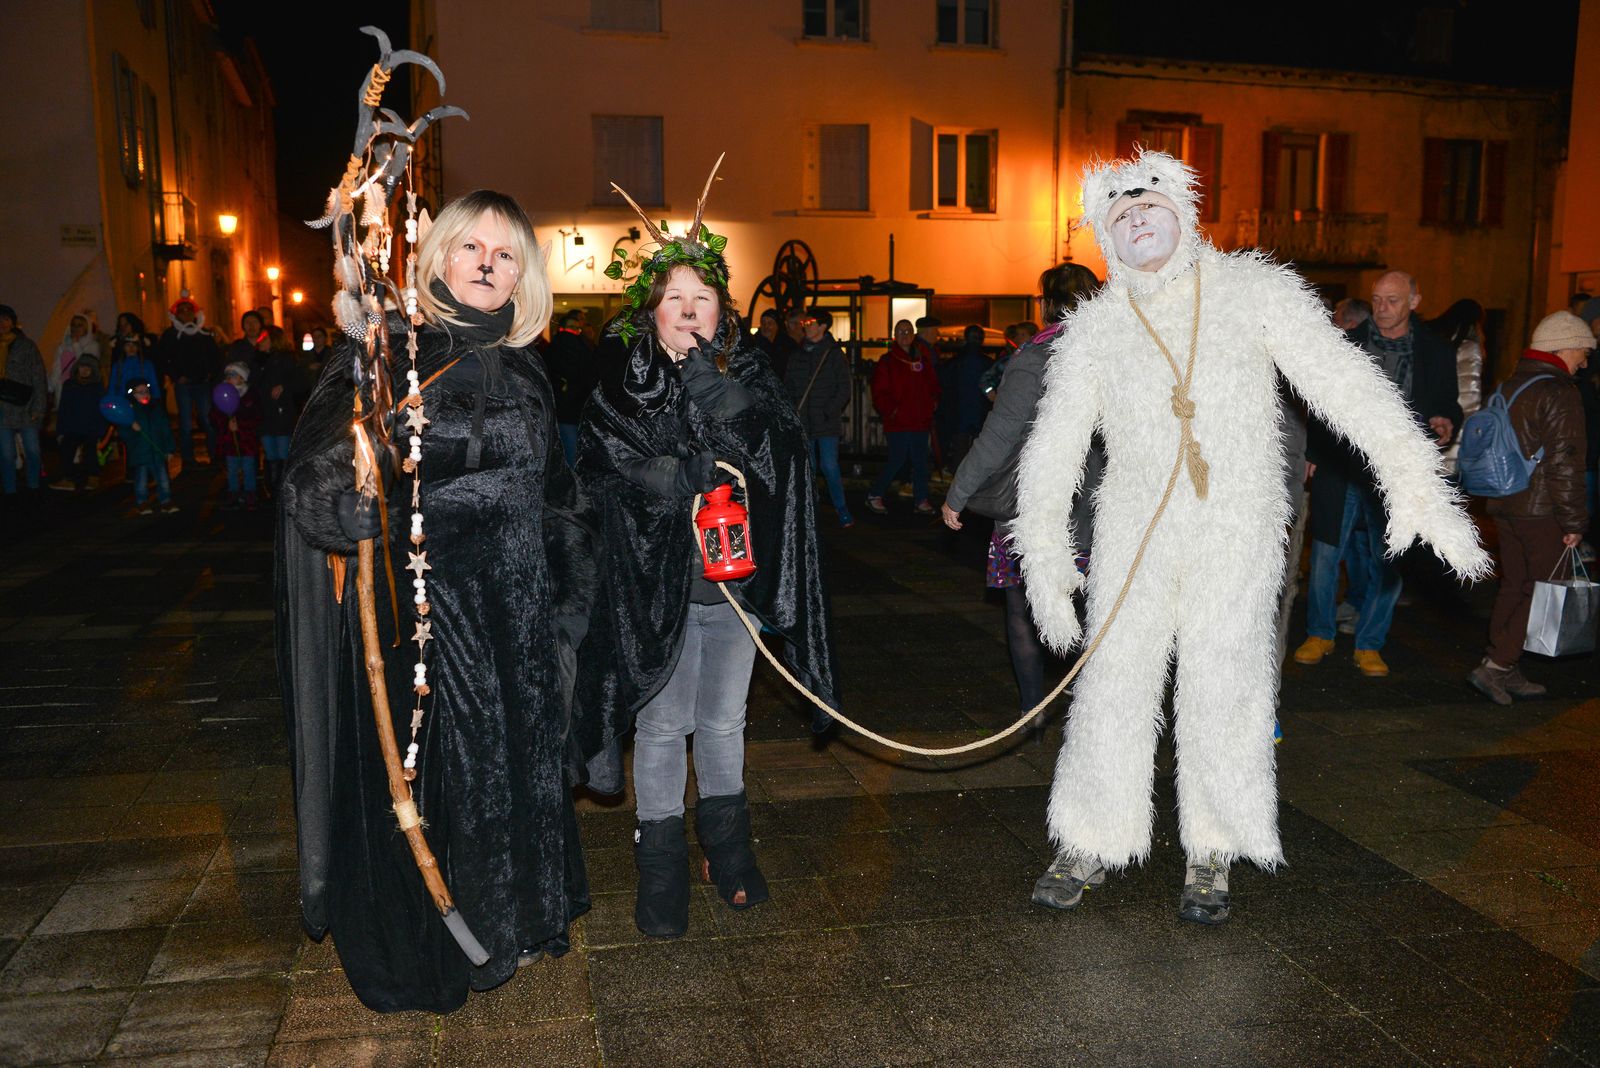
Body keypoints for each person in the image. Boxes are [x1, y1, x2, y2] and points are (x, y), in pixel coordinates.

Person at [1011, 151, 1487, 925]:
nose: (1138, 219)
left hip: (1234, 527)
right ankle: (1090, 837)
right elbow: (1054, 442)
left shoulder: (1250, 290)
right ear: (1104, 233)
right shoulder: (1096, 327)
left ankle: (1215, 844)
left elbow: (1341, 379)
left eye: (1150, 204)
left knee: (1226, 683)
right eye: (1121, 213)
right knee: (1111, 686)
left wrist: (1414, 478)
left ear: (1183, 210)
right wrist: (1044, 554)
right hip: (1134, 533)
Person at [278, 189, 594, 1013]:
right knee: (447, 779)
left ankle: (515, 923)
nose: (487, 264)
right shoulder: (390, 352)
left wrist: (569, 600)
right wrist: (338, 507)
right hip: (426, 613)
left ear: (523, 278)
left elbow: (556, 494)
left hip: (518, 615)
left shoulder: (528, 369)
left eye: (505, 254)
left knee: (516, 770)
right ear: (440, 256)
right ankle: (442, 944)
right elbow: (320, 463)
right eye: (472, 248)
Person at [575, 169, 838, 940]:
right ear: (651, 309)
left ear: (723, 307)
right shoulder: (623, 379)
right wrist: (666, 475)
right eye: (674, 298)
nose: (689, 309)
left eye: (703, 297)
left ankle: (727, 853)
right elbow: (598, 466)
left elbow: (787, 459)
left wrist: (729, 403)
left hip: (734, 589)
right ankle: (659, 866)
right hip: (655, 587)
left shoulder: (749, 370)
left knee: (723, 722)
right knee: (662, 727)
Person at [943, 263, 1101, 728]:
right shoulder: (1117, 352)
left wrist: (957, 493)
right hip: (1099, 507)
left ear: (1047, 304)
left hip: (1036, 506)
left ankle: (1033, 707)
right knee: (1095, 605)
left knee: (1024, 608)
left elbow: (999, 434)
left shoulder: (1036, 357)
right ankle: (1092, 701)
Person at [1294, 270, 1462, 677]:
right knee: (1326, 554)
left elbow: (1447, 402)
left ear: (1414, 302)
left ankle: (1370, 643)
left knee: (1388, 558)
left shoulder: (1436, 352)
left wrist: (1445, 420)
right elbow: (1322, 401)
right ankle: (1319, 633)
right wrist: (1314, 451)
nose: (1382, 309)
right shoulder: (1347, 344)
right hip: (1343, 464)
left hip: (1395, 471)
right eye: (1377, 300)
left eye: (1393, 300)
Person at [1467, 311, 1592, 704]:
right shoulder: (1559, 392)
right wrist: (1574, 521)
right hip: (1541, 510)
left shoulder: (1509, 385)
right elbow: (1565, 462)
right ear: (1564, 348)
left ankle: (1504, 664)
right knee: (1540, 590)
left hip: (1504, 501)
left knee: (1515, 585)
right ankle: (1497, 666)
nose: (1584, 362)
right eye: (1583, 352)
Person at [782, 307, 853, 527]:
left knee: (829, 466)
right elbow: (788, 385)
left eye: (810, 322)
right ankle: (810, 512)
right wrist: (792, 409)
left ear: (823, 326)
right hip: (804, 421)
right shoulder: (797, 354)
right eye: (805, 322)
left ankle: (842, 509)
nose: (806, 326)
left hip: (826, 422)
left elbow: (844, 388)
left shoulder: (834, 354)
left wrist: (829, 410)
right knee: (808, 468)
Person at [865, 318, 941, 514]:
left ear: (914, 335)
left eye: (908, 331)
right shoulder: (887, 361)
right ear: (894, 336)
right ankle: (875, 494)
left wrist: (932, 404)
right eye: (900, 332)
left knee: (920, 462)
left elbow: (933, 385)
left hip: (920, 420)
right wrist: (892, 411)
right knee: (897, 460)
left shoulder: (922, 359)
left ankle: (921, 499)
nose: (905, 335)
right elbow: (879, 392)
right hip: (898, 422)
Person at [154, 295, 223, 466]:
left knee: (208, 420)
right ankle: (188, 460)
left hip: (202, 383)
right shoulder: (170, 335)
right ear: (176, 315)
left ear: (195, 313)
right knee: (185, 423)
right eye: (182, 311)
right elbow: (162, 359)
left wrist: (210, 374)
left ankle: (215, 456)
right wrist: (176, 376)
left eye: (189, 310)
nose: (186, 314)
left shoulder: (204, 334)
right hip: (183, 385)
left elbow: (215, 357)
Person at [1429, 299, 1485, 472]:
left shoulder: (1434, 342)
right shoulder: (1469, 348)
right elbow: (1469, 398)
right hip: (1454, 438)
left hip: (1432, 429)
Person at [0, 303, 48, 497]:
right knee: (6, 455)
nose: (2, 323)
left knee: (33, 451)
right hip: (2, 409)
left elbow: (38, 376)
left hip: (25, 406)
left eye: (5, 319)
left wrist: (39, 407)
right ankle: (10, 490)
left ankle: (33, 485)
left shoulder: (27, 345)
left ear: (13, 322)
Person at [541, 308, 598, 465]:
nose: (573, 332)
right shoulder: (581, 347)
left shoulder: (554, 347)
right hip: (575, 408)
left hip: (564, 408)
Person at [254, 326, 302, 498]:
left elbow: (300, 383)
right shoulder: (258, 360)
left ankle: (284, 491)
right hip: (265, 415)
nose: (259, 341)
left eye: (264, 338)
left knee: (282, 454)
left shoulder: (287, 359)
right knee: (270, 455)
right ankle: (272, 489)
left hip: (282, 416)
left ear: (274, 340)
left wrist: (284, 386)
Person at [938, 325, 991, 471]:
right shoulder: (987, 363)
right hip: (980, 414)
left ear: (965, 339)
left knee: (959, 450)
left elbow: (944, 387)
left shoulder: (953, 363)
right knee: (978, 451)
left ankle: (958, 478)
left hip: (958, 413)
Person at [49, 355, 106, 491]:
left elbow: (101, 409)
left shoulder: (97, 387)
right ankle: (67, 479)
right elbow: (64, 408)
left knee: (90, 453)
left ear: (93, 370)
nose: (85, 370)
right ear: (77, 367)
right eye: (82, 366)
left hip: (91, 427)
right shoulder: (69, 384)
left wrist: (100, 431)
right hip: (72, 427)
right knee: (67, 452)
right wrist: (61, 431)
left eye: (89, 368)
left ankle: (93, 478)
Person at [210, 362, 262, 511]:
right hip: (230, 441)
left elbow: (257, 416)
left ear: (242, 378)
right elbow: (213, 415)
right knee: (232, 469)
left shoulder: (251, 395)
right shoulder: (221, 392)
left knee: (248, 469)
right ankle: (233, 493)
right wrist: (225, 424)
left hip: (247, 441)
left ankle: (250, 494)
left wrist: (241, 424)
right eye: (227, 375)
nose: (229, 378)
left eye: (233, 375)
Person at [124, 378, 178, 515]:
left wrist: (170, 449)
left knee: (163, 479)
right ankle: (142, 502)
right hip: (140, 453)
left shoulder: (156, 409)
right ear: (133, 395)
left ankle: (166, 500)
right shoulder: (130, 412)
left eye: (146, 391)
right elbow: (124, 432)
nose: (144, 394)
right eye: (140, 392)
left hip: (158, 452)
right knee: (141, 480)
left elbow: (165, 429)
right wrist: (131, 427)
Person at [50, 314, 100, 408]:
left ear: (87, 328)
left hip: (82, 388)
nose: (75, 328)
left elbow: (84, 363)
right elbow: (57, 367)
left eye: (80, 325)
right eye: (73, 325)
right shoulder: (63, 346)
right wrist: (51, 386)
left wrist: (76, 344)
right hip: (63, 387)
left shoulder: (93, 346)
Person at [752, 308, 786, 379]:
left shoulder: (786, 344)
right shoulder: (753, 343)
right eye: (763, 323)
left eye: (770, 323)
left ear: (777, 325)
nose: (766, 327)